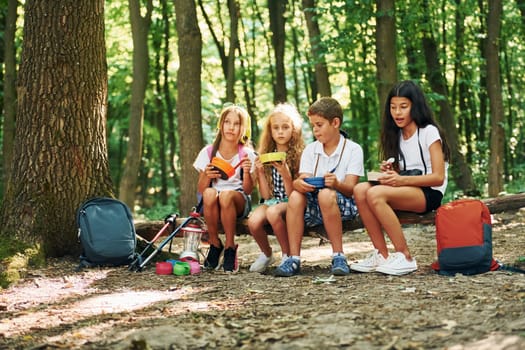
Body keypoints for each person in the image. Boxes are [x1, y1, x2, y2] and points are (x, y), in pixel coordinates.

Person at [349, 80, 450, 276]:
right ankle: (382, 255)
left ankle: (405, 257)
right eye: (393, 107)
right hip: (406, 186)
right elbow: (402, 173)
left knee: (376, 194)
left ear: (415, 106)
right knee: (360, 189)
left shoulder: (429, 132)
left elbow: (438, 177)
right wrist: (389, 171)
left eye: (403, 107)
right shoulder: (395, 135)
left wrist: (399, 180)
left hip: (429, 193)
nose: (397, 112)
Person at [274, 97, 364, 277]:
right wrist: (298, 183)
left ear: (335, 123)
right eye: (313, 125)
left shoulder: (353, 149)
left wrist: (337, 184)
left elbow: (351, 189)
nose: (315, 130)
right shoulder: (311, 150)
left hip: (342, 204)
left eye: (319, 125)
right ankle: (294, 259)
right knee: (295, 196)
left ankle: (338, 256)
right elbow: (304, 179)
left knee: (325, 195)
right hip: (314, 207)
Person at [193, 104, 256, 272]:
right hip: (213, 201)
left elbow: (249, 190)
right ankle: (215, 243)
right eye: (227, 122)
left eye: (237, 124)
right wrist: (207, 175)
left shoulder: (247, 154)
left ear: (243, 129)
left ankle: (230, 247)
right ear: (221, 125)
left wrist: (248, 172)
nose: (231, 127)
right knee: (208, 192)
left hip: (238, 200)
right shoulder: (208, 152)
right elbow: (200, 188)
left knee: (226, 195)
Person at [248, 103, 305, 273]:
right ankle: (266, 254)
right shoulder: (265, 154)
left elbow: (293, 194)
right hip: (272, 200)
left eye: (285, 127)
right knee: (253, 221)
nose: (280, 132)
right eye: (276, 128)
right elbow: (266, 196)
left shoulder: (300, 154)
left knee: (272, 213)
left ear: (293, 129)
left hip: (293, 200)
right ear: (270, 131)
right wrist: (259, 172)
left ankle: (288, 255)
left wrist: (286, 174)